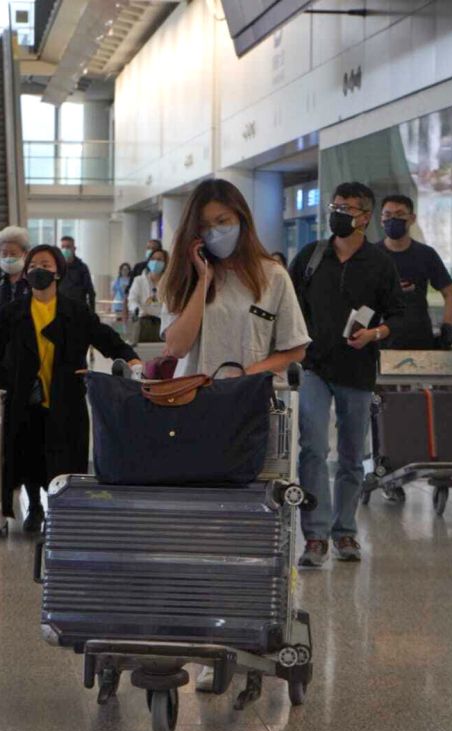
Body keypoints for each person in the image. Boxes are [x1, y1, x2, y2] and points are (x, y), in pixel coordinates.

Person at [0, 245, 141, 532]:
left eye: (45, 265)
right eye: (33, 266)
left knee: (64, 457)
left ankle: (61, 511)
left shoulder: (75, 310)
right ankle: (34, 507)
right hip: (26, 395)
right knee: (28, 453)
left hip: (64, 396)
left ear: (58, 272)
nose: (38, 271)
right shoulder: (14, 311)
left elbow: (104, 337)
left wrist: (129, 357)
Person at [290, 182, 405, 566]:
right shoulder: (311, 256)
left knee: (353, 455)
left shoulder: (379, 263)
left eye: (348, 208)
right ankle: (316, 535)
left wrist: (374, 333)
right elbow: (289, 307)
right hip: (314, 368)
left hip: (357, 370)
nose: (339, 213)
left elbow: (399, 315)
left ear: (365, 217)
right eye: (335, 206)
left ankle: (345, 532)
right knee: (313, 448)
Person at [161, 178, 309, 378]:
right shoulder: (185, 274)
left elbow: (295, 349)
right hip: (192, 398)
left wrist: (247, 374)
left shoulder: (273, 276)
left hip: (247, 397)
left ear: (241, 219)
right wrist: (204, 279)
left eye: (222, 221)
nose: (214, 232)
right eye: (205, 226)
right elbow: (177, 348)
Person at [376, 194, 452, 349]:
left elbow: (450, 294)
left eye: (400, 214)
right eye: (388, 215)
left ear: (412, 218)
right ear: (381, 219)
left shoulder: (425, 254)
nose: (393, 219)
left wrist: (447, 326)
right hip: (379, 338)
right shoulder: (371, 255)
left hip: (419, 337)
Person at [128, 247, 167, 342]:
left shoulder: (169, 282)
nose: (156, 262)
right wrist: (140, 311)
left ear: (165, 263)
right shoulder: (139, 280)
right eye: (153, 259)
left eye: (159, 260)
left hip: (163, 324)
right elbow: (132, 300)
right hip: (144, 323)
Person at [56, 236, 96, 311]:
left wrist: (92, 312)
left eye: (68, 247)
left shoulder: (82, 267)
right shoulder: (58, 267)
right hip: (61, 309)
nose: (65, 249)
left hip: (78, 309)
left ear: (74, 249)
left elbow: (90, 291)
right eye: (63, 247)